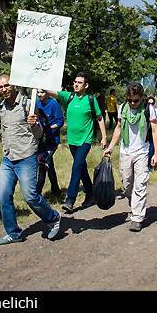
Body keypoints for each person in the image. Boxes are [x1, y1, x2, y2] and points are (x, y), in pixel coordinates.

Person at [0, 74, 61, 245]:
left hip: (26, 157)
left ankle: (53, 218)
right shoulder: (2, 108)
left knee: (30, 196)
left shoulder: (29, 104)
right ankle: (13, 233)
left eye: (6, 86)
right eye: (0, 87)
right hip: (8, 158)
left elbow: (40, 134)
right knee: (4, 195)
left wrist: (34, 124)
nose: (3, 89)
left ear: (14, 86)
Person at [47, 72, 107, 214]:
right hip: (72, 141)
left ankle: (70, 200)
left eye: (80, 82)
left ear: (86, 85)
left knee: (76, 167)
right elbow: (51, 92)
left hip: (85, 140)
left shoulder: (90, 99)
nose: (76, 84)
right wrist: (40, 86)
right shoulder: (69, 97)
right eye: (75, 81)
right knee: (82, 168)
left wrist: (104, 137)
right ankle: (91, 194)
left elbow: (99, 118)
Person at [104, 83, 157, 232]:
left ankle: (137, 218)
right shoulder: (123, 108)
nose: (133, 103)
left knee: (140, 185)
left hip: (142, 151)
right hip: (125, 151)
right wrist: (110, 147)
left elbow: (155, 131)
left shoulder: (149, 110)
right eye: (130, 100)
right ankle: (134, 204)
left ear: (141, 97)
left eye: (136, 100)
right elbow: (117, 128)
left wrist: (156, 153)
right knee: (127, 185)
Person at [35, 89, 64, 196]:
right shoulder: (36, 104)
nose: (39, 95)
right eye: (38, 92)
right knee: (49, 165)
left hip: (52, 140)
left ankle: (37, 193)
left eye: (42, 92)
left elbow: (60, 122)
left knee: (43, 164)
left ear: (47, 92)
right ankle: (56, 189)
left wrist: (48, 129)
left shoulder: (54, 104)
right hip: (41, 140)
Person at [146, 96, 157, 169]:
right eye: (149, 103)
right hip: (146, 133)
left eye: (152, 103)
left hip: (154, 132)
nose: (151, 105)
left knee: (152, 149)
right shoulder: (145, 110)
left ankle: (150, 165)